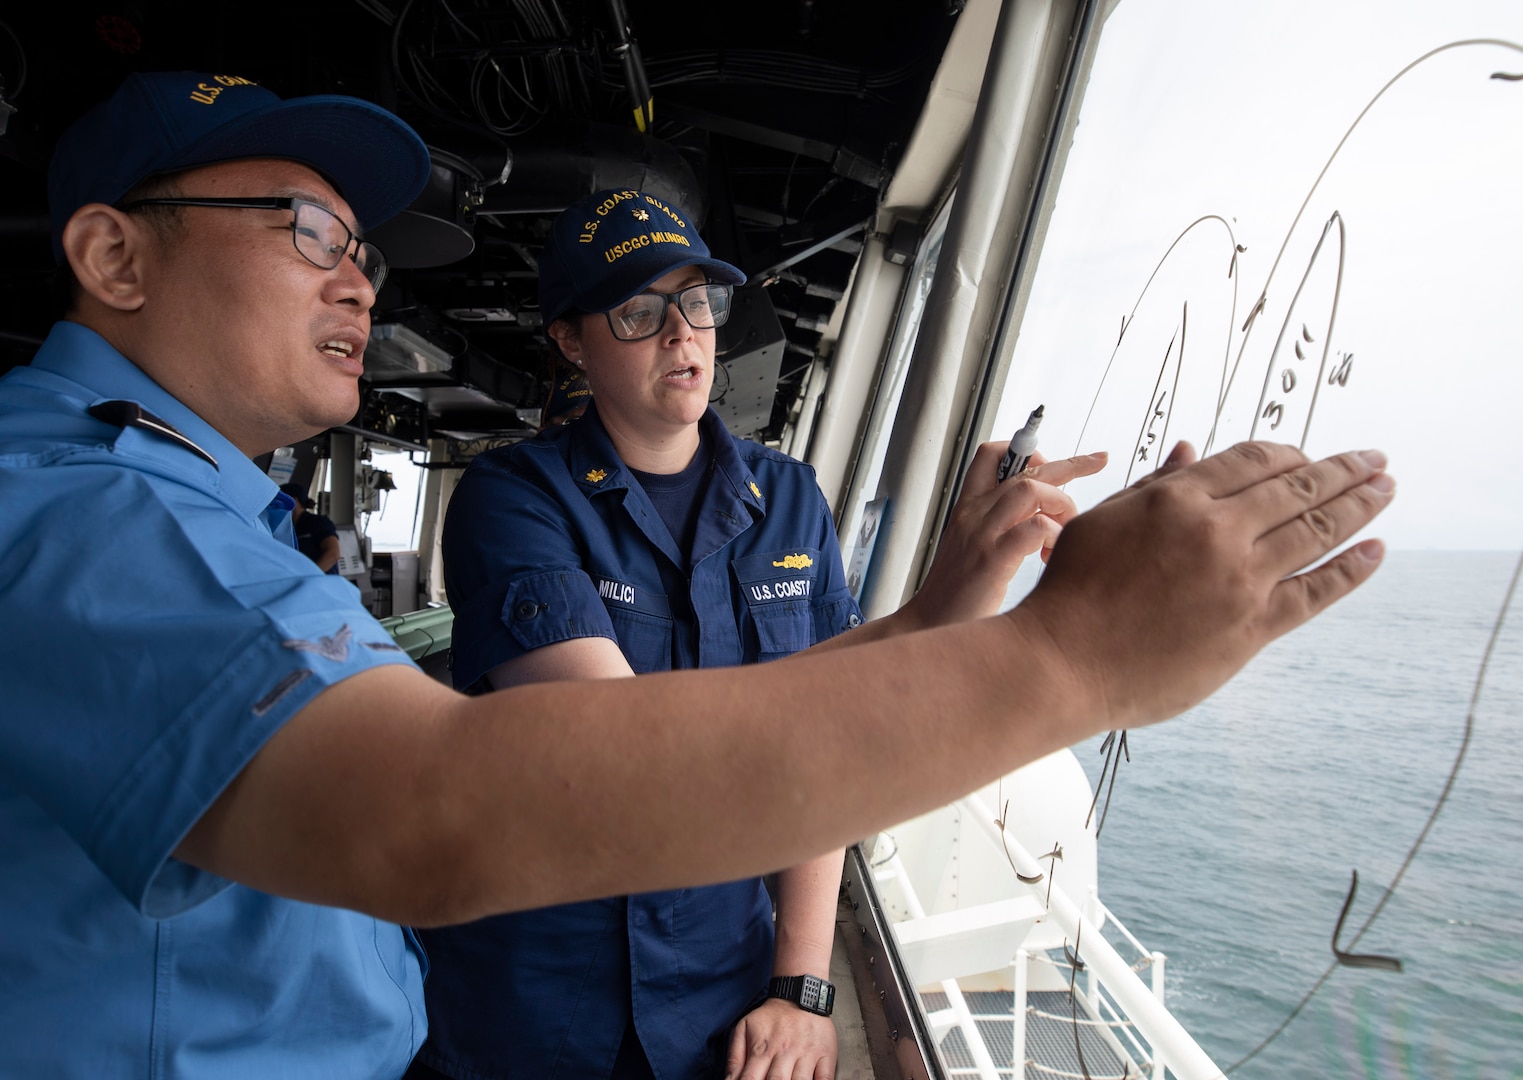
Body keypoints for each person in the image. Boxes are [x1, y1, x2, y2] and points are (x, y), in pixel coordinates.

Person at [0, 71, 1395, 1080]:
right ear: (113, 255)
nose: (362, 283)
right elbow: (460, 804)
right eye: (307, 233)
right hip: (528, 1015)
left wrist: (936, 619)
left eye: (362, 250)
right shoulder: (80, 511)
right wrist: (1068, 659)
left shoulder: (185, 503)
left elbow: (776, 713)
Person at [413, 190, 1110, 1080]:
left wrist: (802, 985)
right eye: (638, 311)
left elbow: (833, 754)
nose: (682, 334)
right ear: (569, 339)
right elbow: (630, 752)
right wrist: (935, 615)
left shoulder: (789, 501)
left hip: (717, 1004)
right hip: (531, 1004)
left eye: (697, 303)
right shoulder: (512, 500)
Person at [281, 480, 343, 573]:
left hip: (321, 583)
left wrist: (308, 576)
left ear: (293, 500)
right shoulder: (288, 528)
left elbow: (333, 554)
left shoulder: (317, 523)